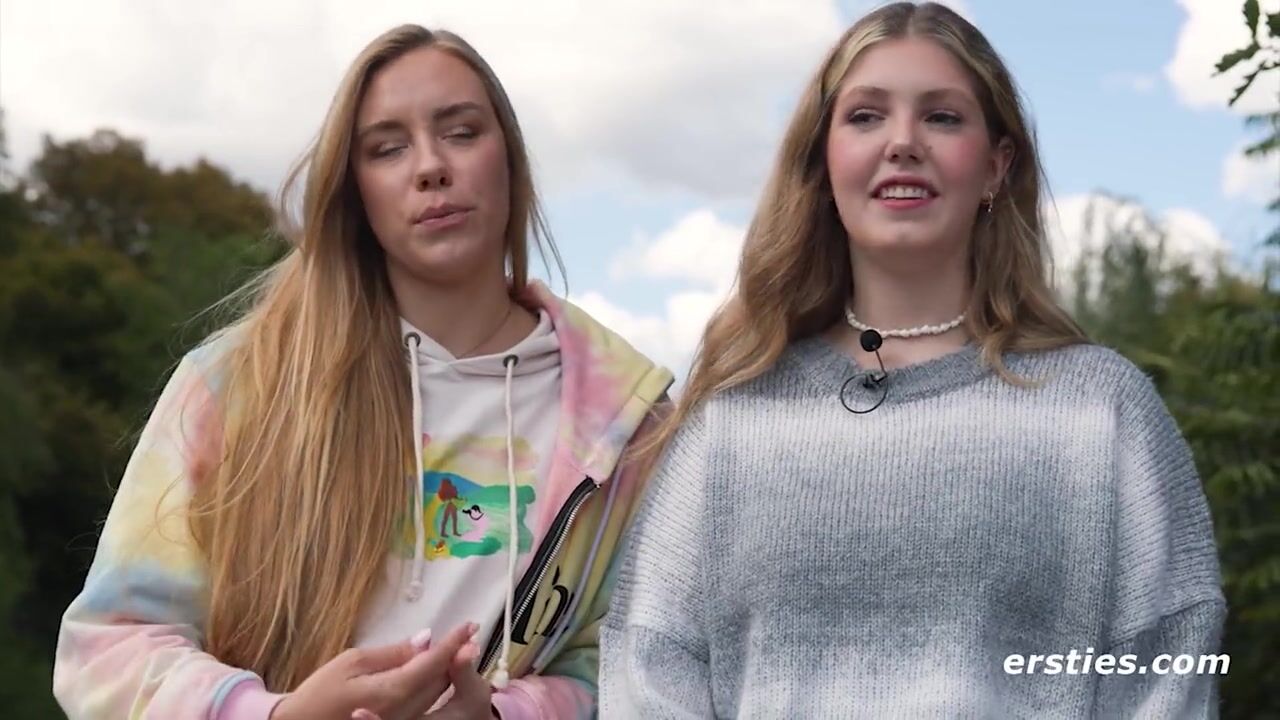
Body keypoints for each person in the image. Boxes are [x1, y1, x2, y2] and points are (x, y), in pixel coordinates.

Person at [599, 3, 1225, 717]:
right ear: (823, 162)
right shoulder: (731, 426)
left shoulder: (1101, 412)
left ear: (996, 165)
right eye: (866, 116)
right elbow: (651, 670)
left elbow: (1168, 666)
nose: (902, 142)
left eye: (942, 117)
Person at [53, 24, 673, 720]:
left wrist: (509, 714)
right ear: (355, 191)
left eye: (461, 132)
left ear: (510, 158)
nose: (430, 166)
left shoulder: (626, 423)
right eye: (387, 148)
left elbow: (638, 661)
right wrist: (274, 715)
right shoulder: (240, 384)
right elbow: (107, 647)